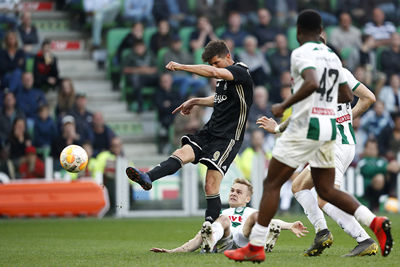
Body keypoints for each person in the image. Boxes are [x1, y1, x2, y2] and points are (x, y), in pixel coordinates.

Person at [224, 10, 393, 263]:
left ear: (300, 33)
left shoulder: (301, 54)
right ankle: (355, 226)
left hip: (321, 136)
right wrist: (332, 115)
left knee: (276, 184)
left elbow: (312, 88)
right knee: (305, 187)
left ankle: (257, 245)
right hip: (329, 135)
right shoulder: (334, 60)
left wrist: (284, 106)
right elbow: (348, 97)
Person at [126, 40, 254, 224]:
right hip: (209, 131)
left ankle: (211, 233)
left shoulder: (241, 71)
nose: (214, 68)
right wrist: (195, 101)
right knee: (181, 153)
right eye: (212, 64)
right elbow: (219, 99)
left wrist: (181, 66)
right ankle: (148, 177)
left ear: (228, 56)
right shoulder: (225, 81)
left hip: (228, 138)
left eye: (217, 62)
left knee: (210, 186)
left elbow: (214, 73)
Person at [261, 65, 379, 256]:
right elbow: (369, 98)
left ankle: (364, 239)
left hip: (333, 146)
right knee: (299, 186)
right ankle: (322, 233)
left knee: (325, 197)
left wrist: (277, 129)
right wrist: (345, 119)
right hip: (344, 143)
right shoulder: (341, 72)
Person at [150, 178, 308, 253]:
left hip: (245, 238)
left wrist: (289, 225)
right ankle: (211, 242)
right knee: (217, 223)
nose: (233, 194)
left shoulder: (249, 211)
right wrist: (172, 252)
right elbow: (197, 237)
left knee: (258, 217)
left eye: (239, 192)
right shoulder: (223, 213)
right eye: (232, 190)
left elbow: (272, 220)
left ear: (247, 199)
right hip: (226, 241)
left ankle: (265, 240)